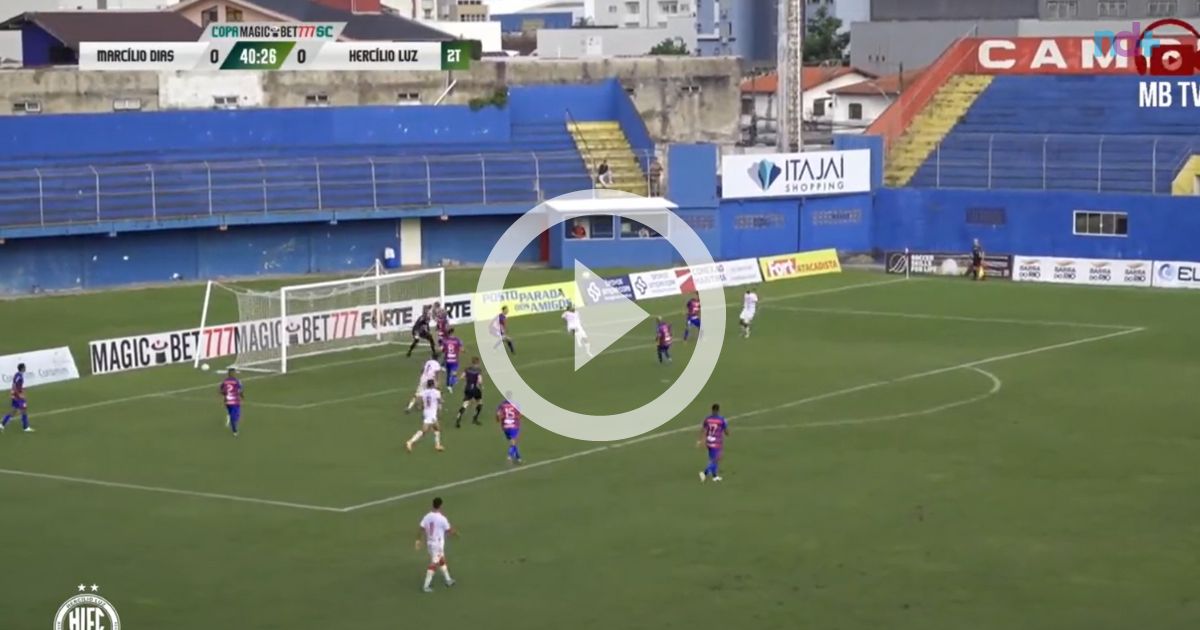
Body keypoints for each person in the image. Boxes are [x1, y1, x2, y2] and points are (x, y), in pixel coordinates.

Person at [415, 497, 456, 593]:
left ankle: (448, 580)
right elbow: (449, 530)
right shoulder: (442, 518)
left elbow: (421, 528)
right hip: (437, 545)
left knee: (441, 560)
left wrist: (418, 540)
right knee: (434, 564)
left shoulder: (427, 516)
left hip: (430, 543)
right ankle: (426, 586)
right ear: (441, 505)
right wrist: (456, 533)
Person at [406, 379, 444, 453]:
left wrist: (419, 405)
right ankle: (410, 442)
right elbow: (440, 401)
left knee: (437, 428)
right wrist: (441, 401)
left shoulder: (423, 392)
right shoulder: (437, 392)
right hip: (431, 413)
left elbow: (417, 398)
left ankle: (437, 445)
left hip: (426, 411)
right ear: (433, 385)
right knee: (424, 430)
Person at [697, 403, 728, 482]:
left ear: (712, 410)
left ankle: (714, 476)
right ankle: (704, 473)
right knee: (717, 458)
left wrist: (700, 440)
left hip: (709, 441)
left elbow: (703, 429)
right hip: (716, 442)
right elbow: (726, 431)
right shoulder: (721, 419)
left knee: (712, 458)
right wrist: (727, 433)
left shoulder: (707, 419)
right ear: (718, 410)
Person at [0, 362, 32, 433]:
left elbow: (14, 385)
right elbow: (15, 386)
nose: (25, 368)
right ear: (22, 368)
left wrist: (14, 393)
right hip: (17, 397)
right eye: (24, 367)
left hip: (14, 396)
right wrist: (19, 394)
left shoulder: (17, 375)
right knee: (24, 409)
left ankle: (2, 424)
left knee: (13, 411)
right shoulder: (19, 377)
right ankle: (26, 427)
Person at [455, 357, 485, 428]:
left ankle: (458, 417)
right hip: (475, 388)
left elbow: (461, 377)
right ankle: (475, 418)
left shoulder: (467, 369)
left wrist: (468, 379)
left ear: (472, 362)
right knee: (480, 402)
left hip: (467, 388)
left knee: (465, 404)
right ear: (478, 363)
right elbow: (480, 380)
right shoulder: (478, 370)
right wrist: (481, 386)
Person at [496, 394, 522, 465]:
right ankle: (509, 456)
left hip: (505, 426)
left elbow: (498, 415)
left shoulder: (501, 405)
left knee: (512, 441)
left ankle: (518, 458)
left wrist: (498, 420)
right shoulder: (516, 404)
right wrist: (517, 419)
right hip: (514, 425)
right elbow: (520, 415)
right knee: (513, 442)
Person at [219, 368, 243, 437]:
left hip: (227, 402)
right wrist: (242, 396)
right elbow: (240, 390)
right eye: (233, 372)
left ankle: (229, 417)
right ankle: (234, 431)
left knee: (232, 414)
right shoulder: (237, 381)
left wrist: (225, 395)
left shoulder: (225, 381)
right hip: (234, 401)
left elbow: (221, 390)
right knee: (234, 418)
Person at [440, 328, 464, 393]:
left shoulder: (445, 340)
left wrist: (445, 350)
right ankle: (451, 385)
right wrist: (459, 350)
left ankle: (448, 385)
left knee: (448, 373)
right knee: (454, 373)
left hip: (447, 359)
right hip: (454, 359)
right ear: (453, 332)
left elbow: (441, 349)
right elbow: (462, 349)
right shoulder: (457, 340)